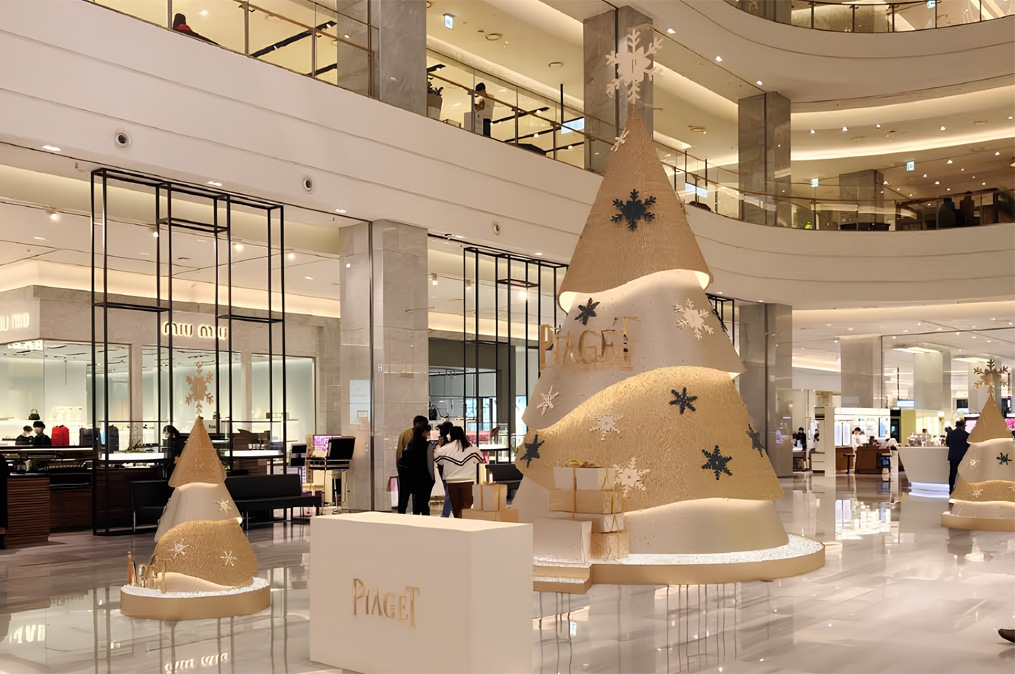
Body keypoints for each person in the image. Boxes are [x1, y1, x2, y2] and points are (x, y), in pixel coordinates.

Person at [435, 426, 485, 519]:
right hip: (468, 480)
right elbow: (479, 459)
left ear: (451, 435)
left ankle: (458, 523)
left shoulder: (446, 448)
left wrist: (438, 446)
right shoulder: (471, 448)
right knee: (466, 507)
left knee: (456, 509)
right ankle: (465, 524)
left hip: (451, 481)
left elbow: (437, 459)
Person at [397, 416, 434, 515]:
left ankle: (400, 517)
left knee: (403, 498)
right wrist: (431, 479)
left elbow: (399, 452)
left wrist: (399, 468)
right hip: (419, 476)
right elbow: (428, 463)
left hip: (406, 473)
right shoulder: (426, 444)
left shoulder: (405, 435)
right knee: (419, 501)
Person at [435, 421, 454, 517]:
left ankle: (450, 512)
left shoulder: (441, 439)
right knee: (449, 493)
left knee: (449, 492)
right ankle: (445, 514)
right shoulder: (446, 442)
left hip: (441, 469)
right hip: (447, 469)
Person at [946, 419, 970, 493]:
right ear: (963, 426)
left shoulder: (951, 433)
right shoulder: (966, 434)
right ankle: (963, 488)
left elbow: (947, 443)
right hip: (962, 457)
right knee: (963, 473)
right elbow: (969, 445)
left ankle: (951, 489)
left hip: (953, 456)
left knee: (952, 473)